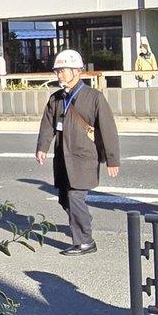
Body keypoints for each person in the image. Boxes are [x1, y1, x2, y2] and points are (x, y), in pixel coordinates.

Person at [34, 50, 120, 254]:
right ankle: (82, 220)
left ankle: (85, 241)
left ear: (77, 71)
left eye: (63, 70)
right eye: (57, 71)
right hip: (62, 157)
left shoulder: (94, 97)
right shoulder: (56, 98)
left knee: (75, 197)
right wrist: (42, 147)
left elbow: (108, 129)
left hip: (84, 157)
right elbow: (47, 125)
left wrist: (112, 159)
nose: (59, 75)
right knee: (65, 197)